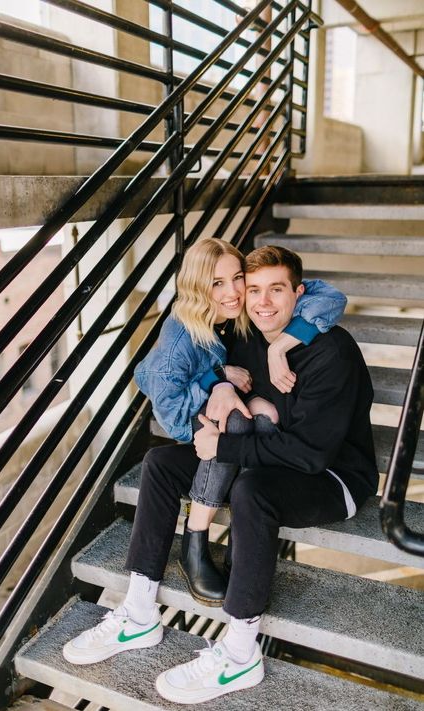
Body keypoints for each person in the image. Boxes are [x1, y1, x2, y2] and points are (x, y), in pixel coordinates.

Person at [61, 242, 352, 677]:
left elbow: (308, 455)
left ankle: (238, 654)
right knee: (160, 462)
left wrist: (228, 443)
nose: (258, 301)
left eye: (274, 290)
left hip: (329, 476)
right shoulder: (243, 331)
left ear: (300, 293)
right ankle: (138, 613)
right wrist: (219, 385)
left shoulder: (332, 351)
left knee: (251, 490)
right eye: (252, 289)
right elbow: (163, 375)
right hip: (262, 455)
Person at [131, 238, 346, 607]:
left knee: (261, 418)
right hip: (193, 423)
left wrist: (278, 349)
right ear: (198, 285)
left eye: (237, 279)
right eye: (217, 283)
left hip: (297, 460)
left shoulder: (234, 319)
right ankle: (184, 548)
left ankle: (238, 553)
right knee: (211, 436)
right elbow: (159, 393)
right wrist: (215, 384)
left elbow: (329, 295)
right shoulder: (186, 334)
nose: (233, 293)